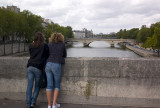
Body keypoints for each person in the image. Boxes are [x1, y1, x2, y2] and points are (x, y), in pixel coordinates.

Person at [26, 32, 49, 108]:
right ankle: (33, 102)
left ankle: (28, 104)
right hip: (38, 67)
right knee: (37, 86)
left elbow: (31, 54)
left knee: (29, 86)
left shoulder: (31, 45)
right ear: (42, 38)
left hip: (30, 66)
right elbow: (48, 55)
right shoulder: (44, 46)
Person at [45, 33, 67, 108]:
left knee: (49, 85)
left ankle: (49, 105)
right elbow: (65, 55)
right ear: (61, 38)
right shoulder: (62, 44)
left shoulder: (50, 44)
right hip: (56, 64)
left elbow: (47, 54)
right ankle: (54, 104)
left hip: (48, 64)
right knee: (57, 85)